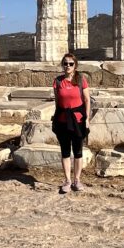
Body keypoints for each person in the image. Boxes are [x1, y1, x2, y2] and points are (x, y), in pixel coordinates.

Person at [52, 53, 91, 194]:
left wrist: (87, 119)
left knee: (78, 151)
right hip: (62, 119)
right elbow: (57, 102)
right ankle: (67, 180)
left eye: (70, 64)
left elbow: (87, 100)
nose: (67, 66)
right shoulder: (57, 81)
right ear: (62, 65)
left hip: (78, 119)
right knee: (65, 151)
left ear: (75, 65)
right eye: (65, 63)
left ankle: (77, 180)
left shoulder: (81, 79)